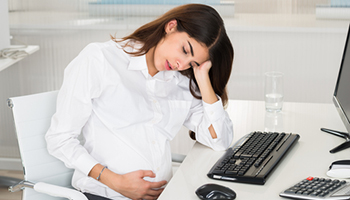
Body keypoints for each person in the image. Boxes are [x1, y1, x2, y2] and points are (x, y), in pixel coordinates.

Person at [45, 3, 234, 200]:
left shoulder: (182, 82)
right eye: (185, 50)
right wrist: (116, 182)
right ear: (171, 27)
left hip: (164, 195)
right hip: (104, 195)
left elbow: (219, 140)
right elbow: (60, 139)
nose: (181, 64)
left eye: (192, 63)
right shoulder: (101, 59)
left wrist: (202, 77)